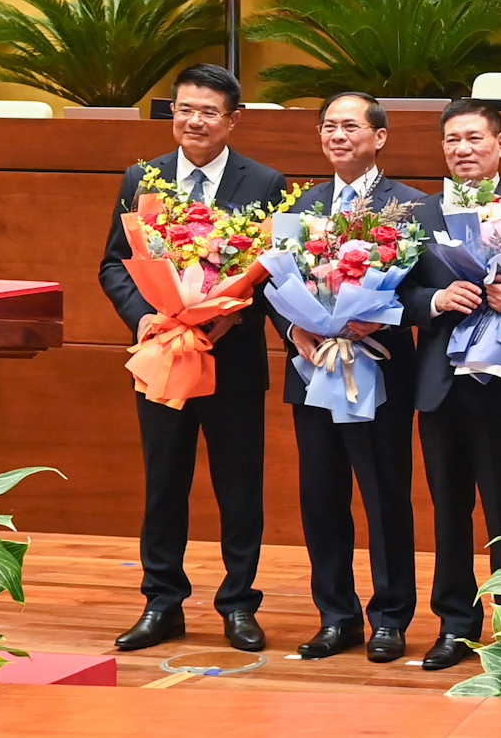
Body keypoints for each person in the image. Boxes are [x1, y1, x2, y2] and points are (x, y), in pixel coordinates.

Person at [100, 63, 287, 653]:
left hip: (231, 359)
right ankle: (162, 602)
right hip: (164, 357)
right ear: (172, 113)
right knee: (163, 484)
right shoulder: (142, 178)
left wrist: (236, 313)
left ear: (233, 119)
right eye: (184, 109)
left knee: (239, 487)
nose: (194, 120)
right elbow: (113, 264)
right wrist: (145, 316)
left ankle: (238, 605)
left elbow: (278, 274)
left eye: (208, 111)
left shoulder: (265, 183)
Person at [398, 98, 501, 670]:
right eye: (452, 141)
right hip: (439, 386)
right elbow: (394, 294)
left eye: (473, 139)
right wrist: (435, 299)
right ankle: (455, 625)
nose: (462, 150)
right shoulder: (418, 214)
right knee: (448, 510)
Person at [278, 92, 427, 663]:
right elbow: (275, 285)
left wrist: (376, 317)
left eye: (350, 126)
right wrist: (299, 332)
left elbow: (419, 292)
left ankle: (390, 617)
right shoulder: (302, 205)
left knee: (385, 495)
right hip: (314, 368)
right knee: (321, 495)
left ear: (379, 137)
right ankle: (335, 615)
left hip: (379, 370)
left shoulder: (410, 206)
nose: (337, 135)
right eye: (328, 127)